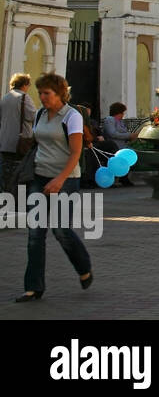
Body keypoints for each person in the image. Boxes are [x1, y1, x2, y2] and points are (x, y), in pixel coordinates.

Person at [15, 73, 93, 302]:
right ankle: (33, 287)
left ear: (60, 94)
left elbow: (76, 152)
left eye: (47, 93)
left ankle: (84, 268)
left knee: (61, 230)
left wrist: (60, 179)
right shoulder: (40, 113)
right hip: (39, 177)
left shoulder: (72, 116)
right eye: (40, 93)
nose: (42, 97)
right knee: (35, 234)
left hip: (66, 179)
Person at [0, 73, 37, 197]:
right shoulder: (24, 98)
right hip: (20, 143)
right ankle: (14, 198)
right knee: (20, 172)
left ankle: (4, 196)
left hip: (4, 142)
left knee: (5, 173)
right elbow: (33, 116)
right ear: (25, 85)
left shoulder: (5, 97)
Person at [99, 102, 136, 187]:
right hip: (113, 146)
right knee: (124, 157)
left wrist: (131, 137)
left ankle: (124, 178)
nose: (123, 115)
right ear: (117, 112)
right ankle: (121, 178)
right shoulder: (110, 120)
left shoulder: (120, 122)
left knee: (133, 155)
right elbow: (112, 133)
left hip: (123, 146)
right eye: (122, 113)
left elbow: (124, 133)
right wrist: (129, 135)